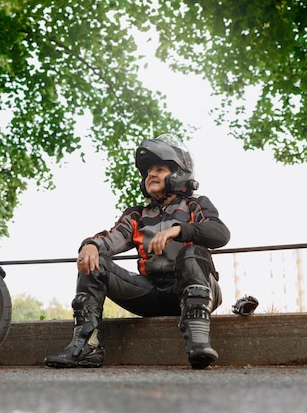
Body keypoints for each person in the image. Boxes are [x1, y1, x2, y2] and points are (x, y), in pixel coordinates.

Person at [44, 134, 230, 370]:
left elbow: (220, 233)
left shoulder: (196, 204)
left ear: (179, 173)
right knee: (95, 262)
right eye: (148, 171)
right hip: (151, 293)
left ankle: (199, 343)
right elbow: (110, 239)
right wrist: (89, 245)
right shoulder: (137, 216)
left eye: (159, 169)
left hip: (194, 291)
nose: (151, 174)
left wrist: (178, 230)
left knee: (191, 252)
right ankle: (85, 347)